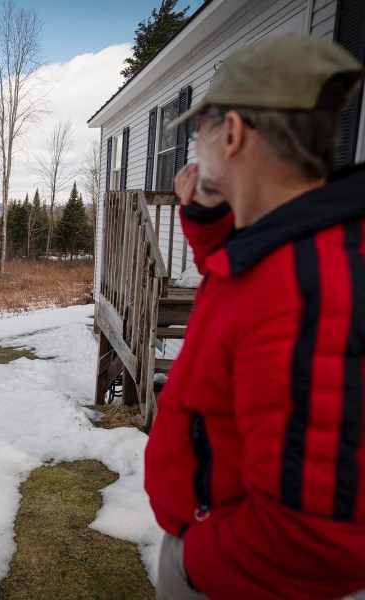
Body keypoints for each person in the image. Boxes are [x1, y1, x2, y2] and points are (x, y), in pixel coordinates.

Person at [144, 35, 365, 600]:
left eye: (201, 130)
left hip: (237, 575)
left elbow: (313, 539)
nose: (195, 148)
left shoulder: (314, 286)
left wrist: (194, 563)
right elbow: (242, 281)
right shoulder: (293, 243)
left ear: (234, 132)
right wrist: (205, 217)